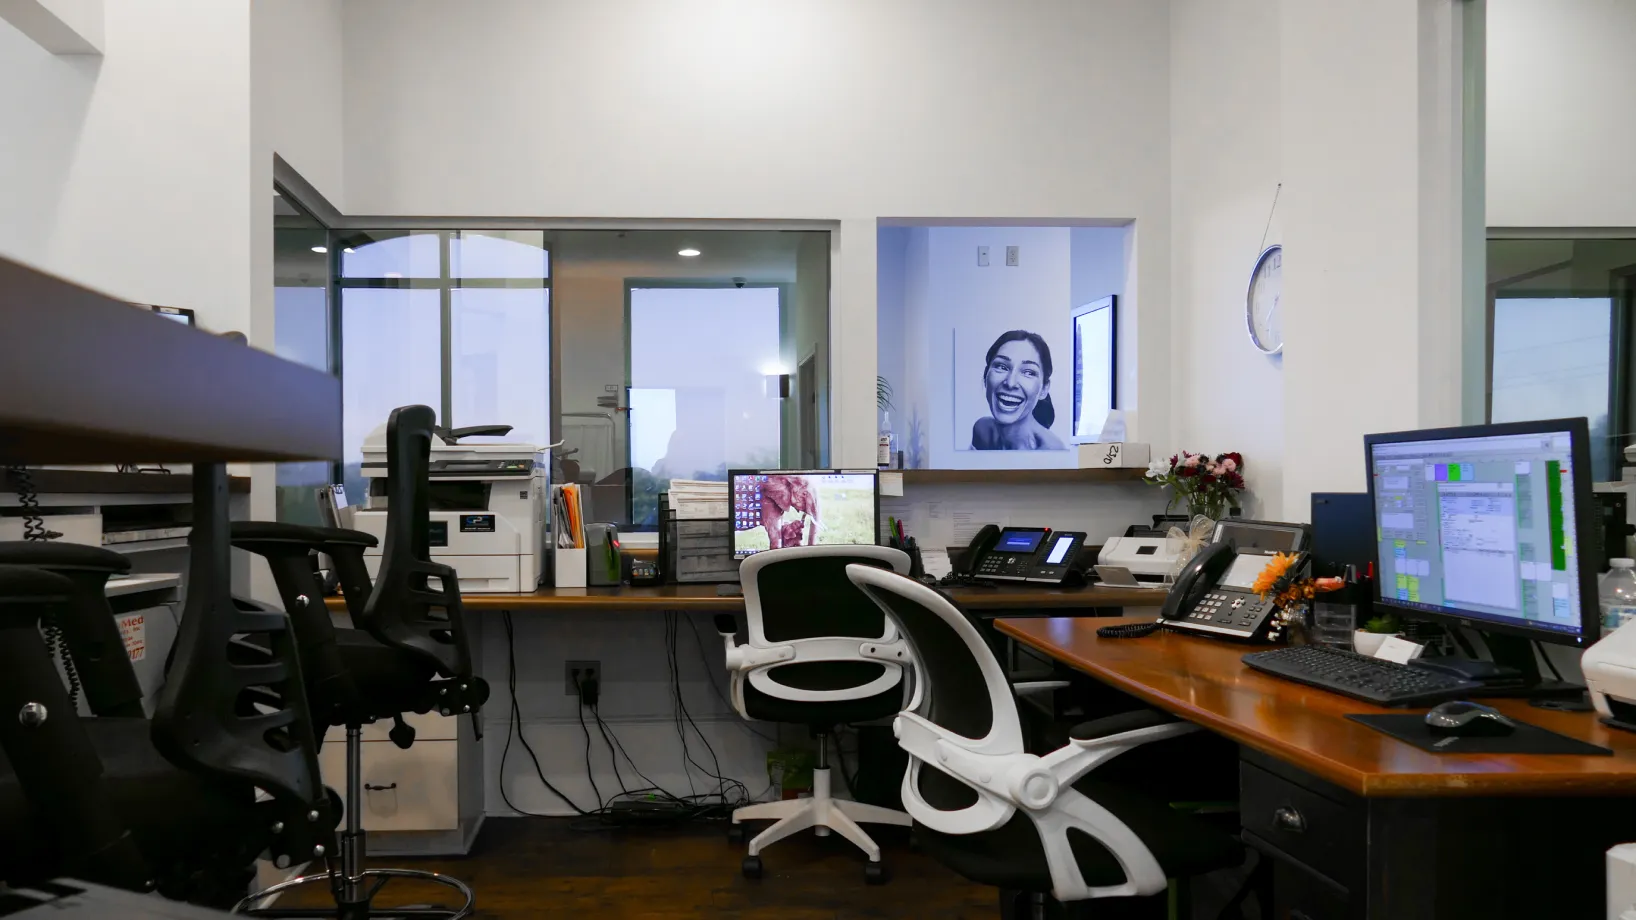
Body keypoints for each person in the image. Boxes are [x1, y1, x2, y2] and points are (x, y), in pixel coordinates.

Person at [971, 329, 1066, 450]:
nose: (1010, 383)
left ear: (1044, 389)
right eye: (1001, 366)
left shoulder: (1052, 450)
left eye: (1028, 372)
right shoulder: (982, 431)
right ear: (985, 376)